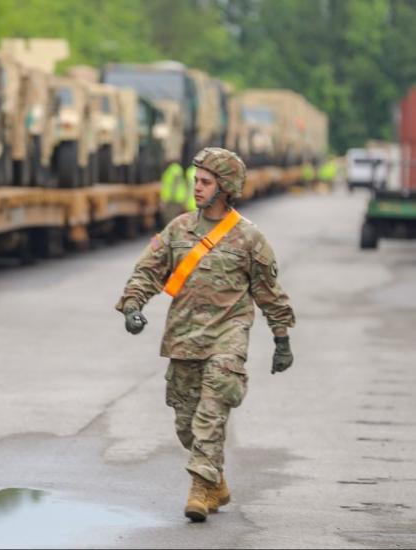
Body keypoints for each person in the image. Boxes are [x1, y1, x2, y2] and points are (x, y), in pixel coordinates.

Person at [114, 147, 295, 523]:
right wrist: (134, 305)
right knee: (186, 423)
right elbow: (148, 270)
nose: (196, 188)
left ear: (225, 187)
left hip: (228, 338)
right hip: (183, 338)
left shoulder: (249, 238)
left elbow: (269, 292)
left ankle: (199, 488)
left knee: (210, 414)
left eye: (205, 182)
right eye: (196, 181)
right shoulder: (178, 230)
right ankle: (216, 480)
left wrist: (282, 339)